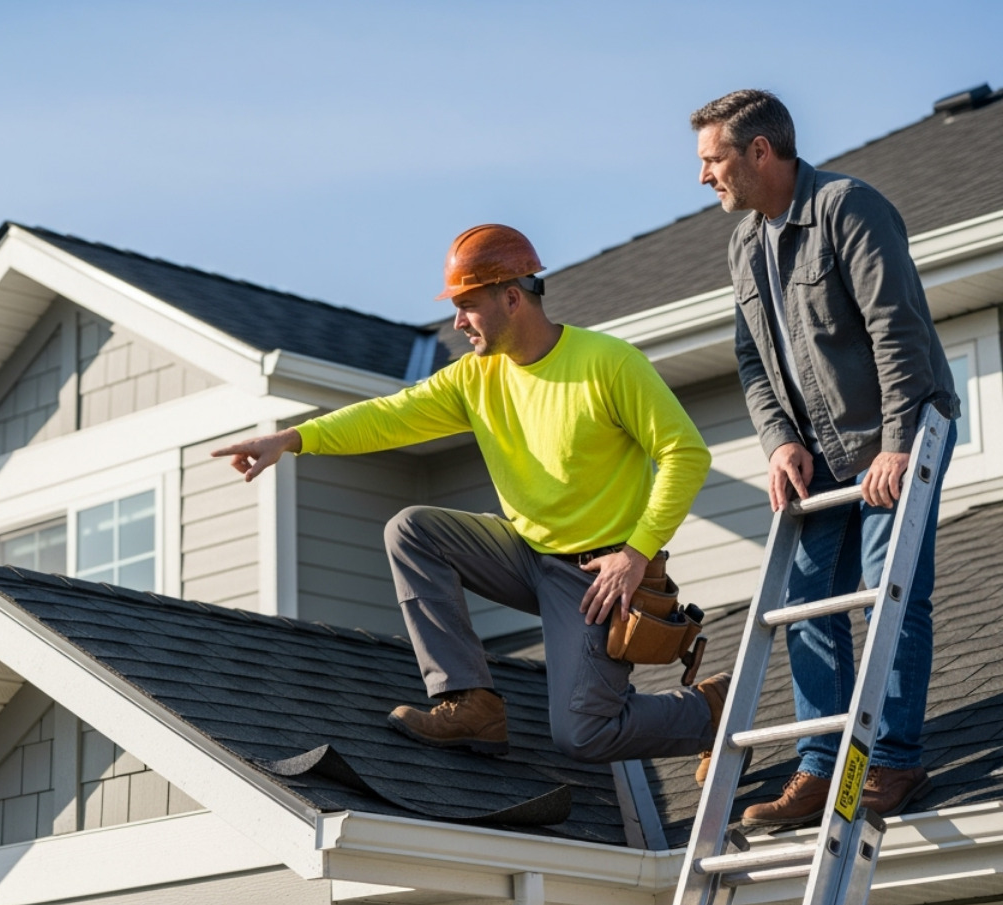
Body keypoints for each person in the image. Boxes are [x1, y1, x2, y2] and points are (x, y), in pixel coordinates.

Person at [213, 225, 729, 764]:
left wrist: (637, 552)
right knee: (411, 530)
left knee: (583, 734)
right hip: (524, 552)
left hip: (595, 575)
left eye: (467, 306)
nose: (457, 322)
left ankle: (709, 710)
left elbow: (685, 454)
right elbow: (389, 417)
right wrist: (293, 439)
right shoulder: (474, 378)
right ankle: (471, 703)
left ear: (512, 296)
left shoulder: (608, 363)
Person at [692, 89, 960, 825]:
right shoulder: (745, 245)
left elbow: (897, 332)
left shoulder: (850, 208)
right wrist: (779, 441)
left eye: (713, 160)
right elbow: (753, 363)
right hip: (820, 454)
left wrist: (899, 446)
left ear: (759, 152)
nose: (704, 176)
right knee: (806, 603)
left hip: (898, 435)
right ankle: (821, 768)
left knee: (890, 592)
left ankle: (894, 763)